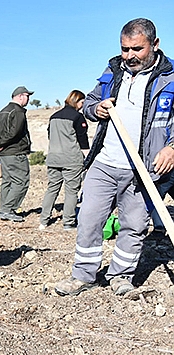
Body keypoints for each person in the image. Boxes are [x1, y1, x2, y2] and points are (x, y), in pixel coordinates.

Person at [55, 18, 174, 297]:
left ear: (155, 45)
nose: (129, 56)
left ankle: (121, 277)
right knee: (89, 219)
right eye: (124, 49)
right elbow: (90, 102)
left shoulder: (171, 77)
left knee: (133, 226)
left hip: (143, 170)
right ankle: (83, 275)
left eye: (137, 49)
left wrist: (172, 148)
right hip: (106, 163)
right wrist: (96, 109)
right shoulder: (113, 71)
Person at [39, 90, 90, 231]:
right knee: (72, 191)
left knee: (52, 189)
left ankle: (43, 220)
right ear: (76, 101)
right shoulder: (78, 117)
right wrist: (88, 159)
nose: (82, 105)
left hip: (53, 158)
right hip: (71, 159)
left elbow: (50, 136)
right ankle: (68, 222)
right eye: (81, 102)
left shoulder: (53, 117)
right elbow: (83, 141)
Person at [0, 86, 34, 222]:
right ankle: (8, 209)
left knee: (8, 181)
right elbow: (14, 133)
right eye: (27, 96)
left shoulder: (4, 111)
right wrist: (1, 144)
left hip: (4, 153)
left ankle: (4, 209)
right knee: (21, 181)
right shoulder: (18, 112)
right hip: (15, 152)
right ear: (21, 96)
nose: (28, 99)